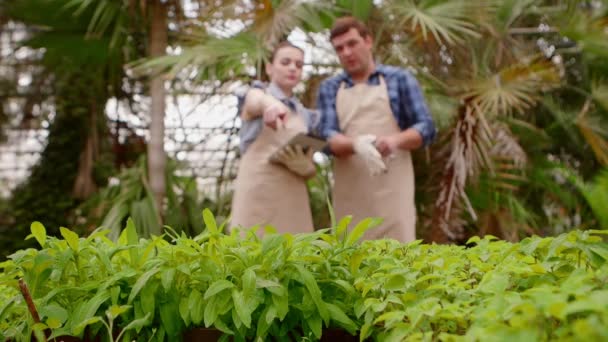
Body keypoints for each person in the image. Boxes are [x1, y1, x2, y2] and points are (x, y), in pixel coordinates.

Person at [316, 17, 436, 242]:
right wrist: (356, 144)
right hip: (350, 196)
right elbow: (326, 138)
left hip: (393, 191)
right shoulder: (330, 88)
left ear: (368, 41)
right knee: (349, 261)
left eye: (352, 44)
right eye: (339, 48)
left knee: (398, 260)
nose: (347, 53)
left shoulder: (398, 79)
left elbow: (426, 127)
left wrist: (394, 141)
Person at [230, 41, 319, 234]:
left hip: (294, 198)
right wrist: (269, 105)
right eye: (285, 62)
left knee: (297, 257)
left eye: (298, 65)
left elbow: (310, 157)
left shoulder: (305, 114)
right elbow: (255, 101)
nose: (292, 68)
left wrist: (308, 169)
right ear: (270, 68)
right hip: (258, 196)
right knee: (252, 256)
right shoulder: (256, 95)